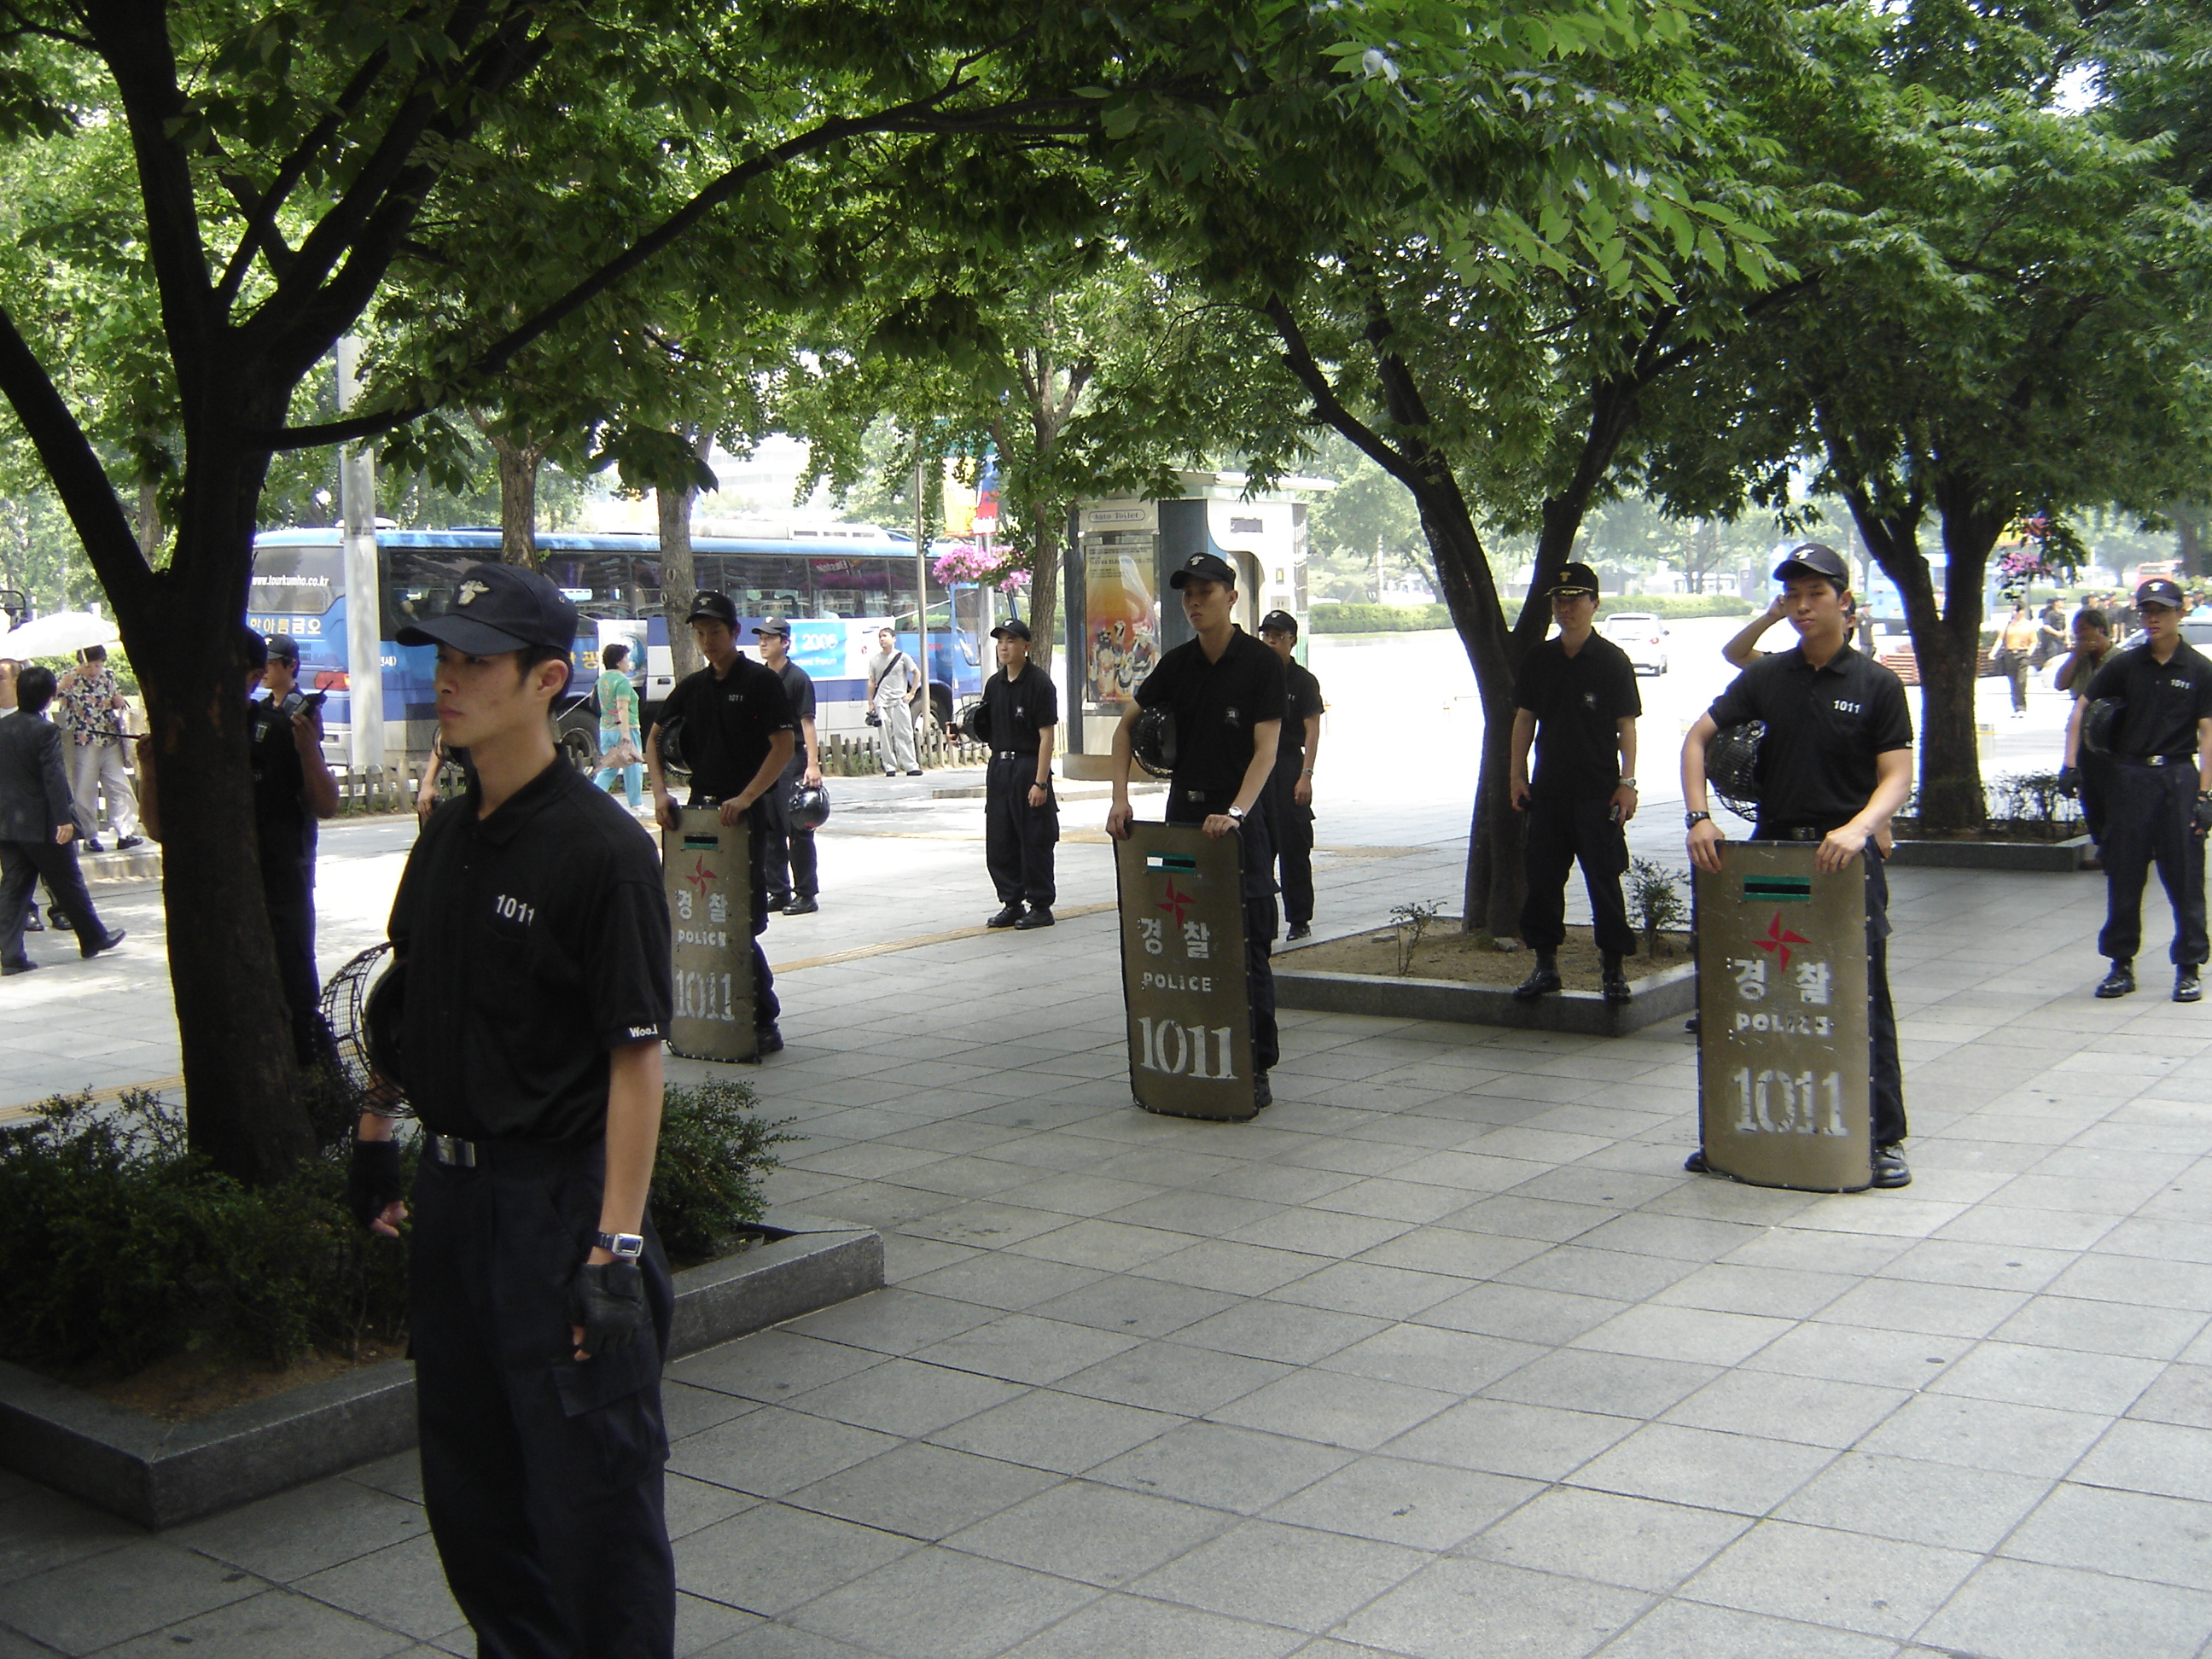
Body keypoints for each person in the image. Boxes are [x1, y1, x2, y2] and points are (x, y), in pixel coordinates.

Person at [345, 561, 678, 1658]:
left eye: (475, 662)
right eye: (441, 658)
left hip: (559, 1210)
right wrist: (379, 1133)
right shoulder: (446, 833)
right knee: (474, 1506)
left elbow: (637, 1061)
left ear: (546, 680)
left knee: (593, 1515)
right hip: (456, 1211)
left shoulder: (601, 854)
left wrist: (615, 1249)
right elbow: (410, 1000)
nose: (448, 680)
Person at [1683, 541, 1915, 1188]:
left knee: (1862, 996)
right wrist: (1699, 816)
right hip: (1773, 852)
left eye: (1816, 593)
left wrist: (1862, 827)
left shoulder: (1877, 685)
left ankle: (1884, 1136)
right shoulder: (1768, 676)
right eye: (1793, 595)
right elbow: (1698, 738)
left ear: (1844, 601)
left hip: (1845, 861)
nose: (1803, 606)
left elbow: (1898, 775)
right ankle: (1734, 1131)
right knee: (1761, 990)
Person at [1106, 550, 1285, 1109]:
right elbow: (1124, 731)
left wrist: (1233, 813)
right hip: (1184, 823)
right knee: (1184, 938)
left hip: (1236, 826)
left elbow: (1267, 752)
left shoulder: (1260, 664)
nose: (1195, 601)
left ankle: (1255, 1065)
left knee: (1245, 943)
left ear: (1232, 598)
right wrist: (1119, 800)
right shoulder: (1177, 666)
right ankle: (1191, 1058)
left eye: (1206, 591)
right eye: (1187, 593)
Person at [646, 591, 795, 1053]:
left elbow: (783, 746)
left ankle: (763, 1017)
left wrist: (747, 797)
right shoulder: (692, 687)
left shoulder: (759, 683)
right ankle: (702, 1015)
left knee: (739, 919)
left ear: (734, 632)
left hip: (744, 820)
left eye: (716, 631)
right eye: (701, 632)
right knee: (698, 920)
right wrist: (659, 793)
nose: (708, 639)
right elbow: (653, 737)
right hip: (696, 816)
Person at [1508, 562, 1640, 1004]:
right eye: (1559, 601)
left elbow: (1627, 726)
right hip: (1547, 793)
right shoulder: (1539, 660)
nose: (1566, 608)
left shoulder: (1612, 661)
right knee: (1543, 883)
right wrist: (1516, 775)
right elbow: (1524, 720)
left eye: (1576, 600)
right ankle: (1545, 966)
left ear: (1594, 604)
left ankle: (1613, 971)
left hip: (1597, 793)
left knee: (1604, 882)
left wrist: (1628, 782)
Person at [2077, 577, 2212, 1003]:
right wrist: (2071, 763)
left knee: (2185, 877)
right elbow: (2085, 706)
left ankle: (2189, 967)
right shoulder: (2125, 664)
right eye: (2146, 611)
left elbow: (2209, 735)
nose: (2152, 619)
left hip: (2177, 778)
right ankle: (2121, 965)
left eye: (2162, 611)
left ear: (2180, 613)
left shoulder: (2199, 670)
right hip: (2130, 778)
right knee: (2125, 873)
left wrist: (2206, 796)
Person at [0, 665, 125, 975]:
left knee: (14, 889)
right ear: (48, 697)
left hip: (9, 825)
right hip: (43, 825)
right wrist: (63, 820)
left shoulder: (3, 728)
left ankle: (11, 953)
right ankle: (93, 937)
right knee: (68, 881)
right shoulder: (44, 731)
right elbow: (54, 779)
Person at [960, 618, 1059, 929]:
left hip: (1028, 766)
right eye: (1000, 641)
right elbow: (985, 724)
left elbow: (1047, 737)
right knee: (1001, 837)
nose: (1004, 647)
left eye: (1012, 641)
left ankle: (1041, 905)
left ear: (1026, 647)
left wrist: (1040, 782)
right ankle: (1011, 901)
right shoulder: (994, 683)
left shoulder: (1039, 683)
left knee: (1034, 838)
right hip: (999, 768)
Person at [1258, 609, 1324, 941]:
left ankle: (1299, 919)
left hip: (1287, 766)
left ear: (1292, 642)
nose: (1271, 642)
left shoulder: (1303, 681)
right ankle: (1262, 923)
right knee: (1257, 848)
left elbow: (1312, 730)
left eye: (1278, 637)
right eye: (1267, 636)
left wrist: (1306, 775)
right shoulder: (1253, 677)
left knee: (1294, 848)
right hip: (1257, 767)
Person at [753, 620, 823, 916]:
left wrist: (812, 764)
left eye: (770, 638)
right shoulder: (758, 678)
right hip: (764, 759)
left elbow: (807, 723)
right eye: (761, 638)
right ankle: (777, 891)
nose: (763, 643)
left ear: (785, 642)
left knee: (796, 827)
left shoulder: (797, 679)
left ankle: (806, 893)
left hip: (791, 759)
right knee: (769, 828)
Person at [55, 644, 141, 851]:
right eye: (89, 666)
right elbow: (52, 699)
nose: (93, 670)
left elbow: (116, 701)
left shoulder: (108, 676)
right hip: (84, 740)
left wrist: (119, 702)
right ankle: (90, 836)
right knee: (85, 790)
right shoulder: (69, 678)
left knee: (118, 784)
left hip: (109, 738)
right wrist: (60, 687)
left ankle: (125, 831)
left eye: (97, 665)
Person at [2056, 607, 2116, 861]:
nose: (2080, 637)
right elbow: (2061, 683)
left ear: (2099, 629)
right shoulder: (2081, 662)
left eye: (2083, 632)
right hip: (2084, 736)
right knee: (2089, 792)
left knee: (2112, 793)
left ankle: (2115, 847)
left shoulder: (2120, 659)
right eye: (2076, 633)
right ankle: (2102, 844)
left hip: (2112, 737)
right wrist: (2075, 657)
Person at [591, 643, 645, 811]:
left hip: (606, 729)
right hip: (626, 728)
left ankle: (591, 798)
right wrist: (626, 735)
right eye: (626, 659)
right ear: (618, 662)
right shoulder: (622, 681)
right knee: (633, 766)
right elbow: (622, 708)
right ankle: (636, 804)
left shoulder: (602, 680)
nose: (629, 663)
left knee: (609, 766)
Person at [866, 625, 923, 777]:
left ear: (894, 639)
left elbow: (917, 673)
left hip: (900, 701)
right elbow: (872, 682)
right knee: (884, 735)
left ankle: (911, 765)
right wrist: (871, 702)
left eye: (885, 636)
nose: (882, 639)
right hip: (881, 702)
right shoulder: (874, 660)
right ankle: (890, 766)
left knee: (904, 733)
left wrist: (912, 693)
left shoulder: (903, 657)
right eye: (880, 637)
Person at [1994, 601, 2037, 718]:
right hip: (2010, 654)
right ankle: (2016, 707)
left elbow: (2034, 641)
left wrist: (2028, 653)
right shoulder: (2008, 625)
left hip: (2023, 654)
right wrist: (1993, 651)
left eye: (2017, 610)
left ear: (2022, 611)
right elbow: (2000, 639)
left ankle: (2022, 706)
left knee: (2021, 680)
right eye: (2013, 610)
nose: (2015, 613)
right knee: (2013, 682)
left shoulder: (2028, 625)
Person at [2033, 597, 2069, 670]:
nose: (2063, 602)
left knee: (2061, 658)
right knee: (2052, 658)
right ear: (2055, 603)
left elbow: (2064, 627)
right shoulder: (2050, 613)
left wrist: (2067, 639)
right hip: (2051, 641)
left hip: (2060, 641)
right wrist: (2056, 633)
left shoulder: (2062, 614)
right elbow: (2046, 626)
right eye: (2060, 601)